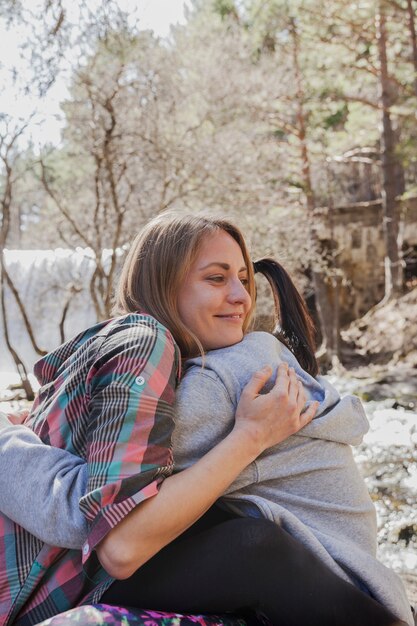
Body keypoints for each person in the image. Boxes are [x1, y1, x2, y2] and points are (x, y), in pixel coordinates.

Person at [0, 212, 412, 626]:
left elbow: (108, 521)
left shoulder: (220, 380)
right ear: (163, 283)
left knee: (251, 545)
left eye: (243, 279)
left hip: (334, 579)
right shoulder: (189, 360)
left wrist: (11, 441)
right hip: (349, 574)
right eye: (217, 279)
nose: (242, 297)